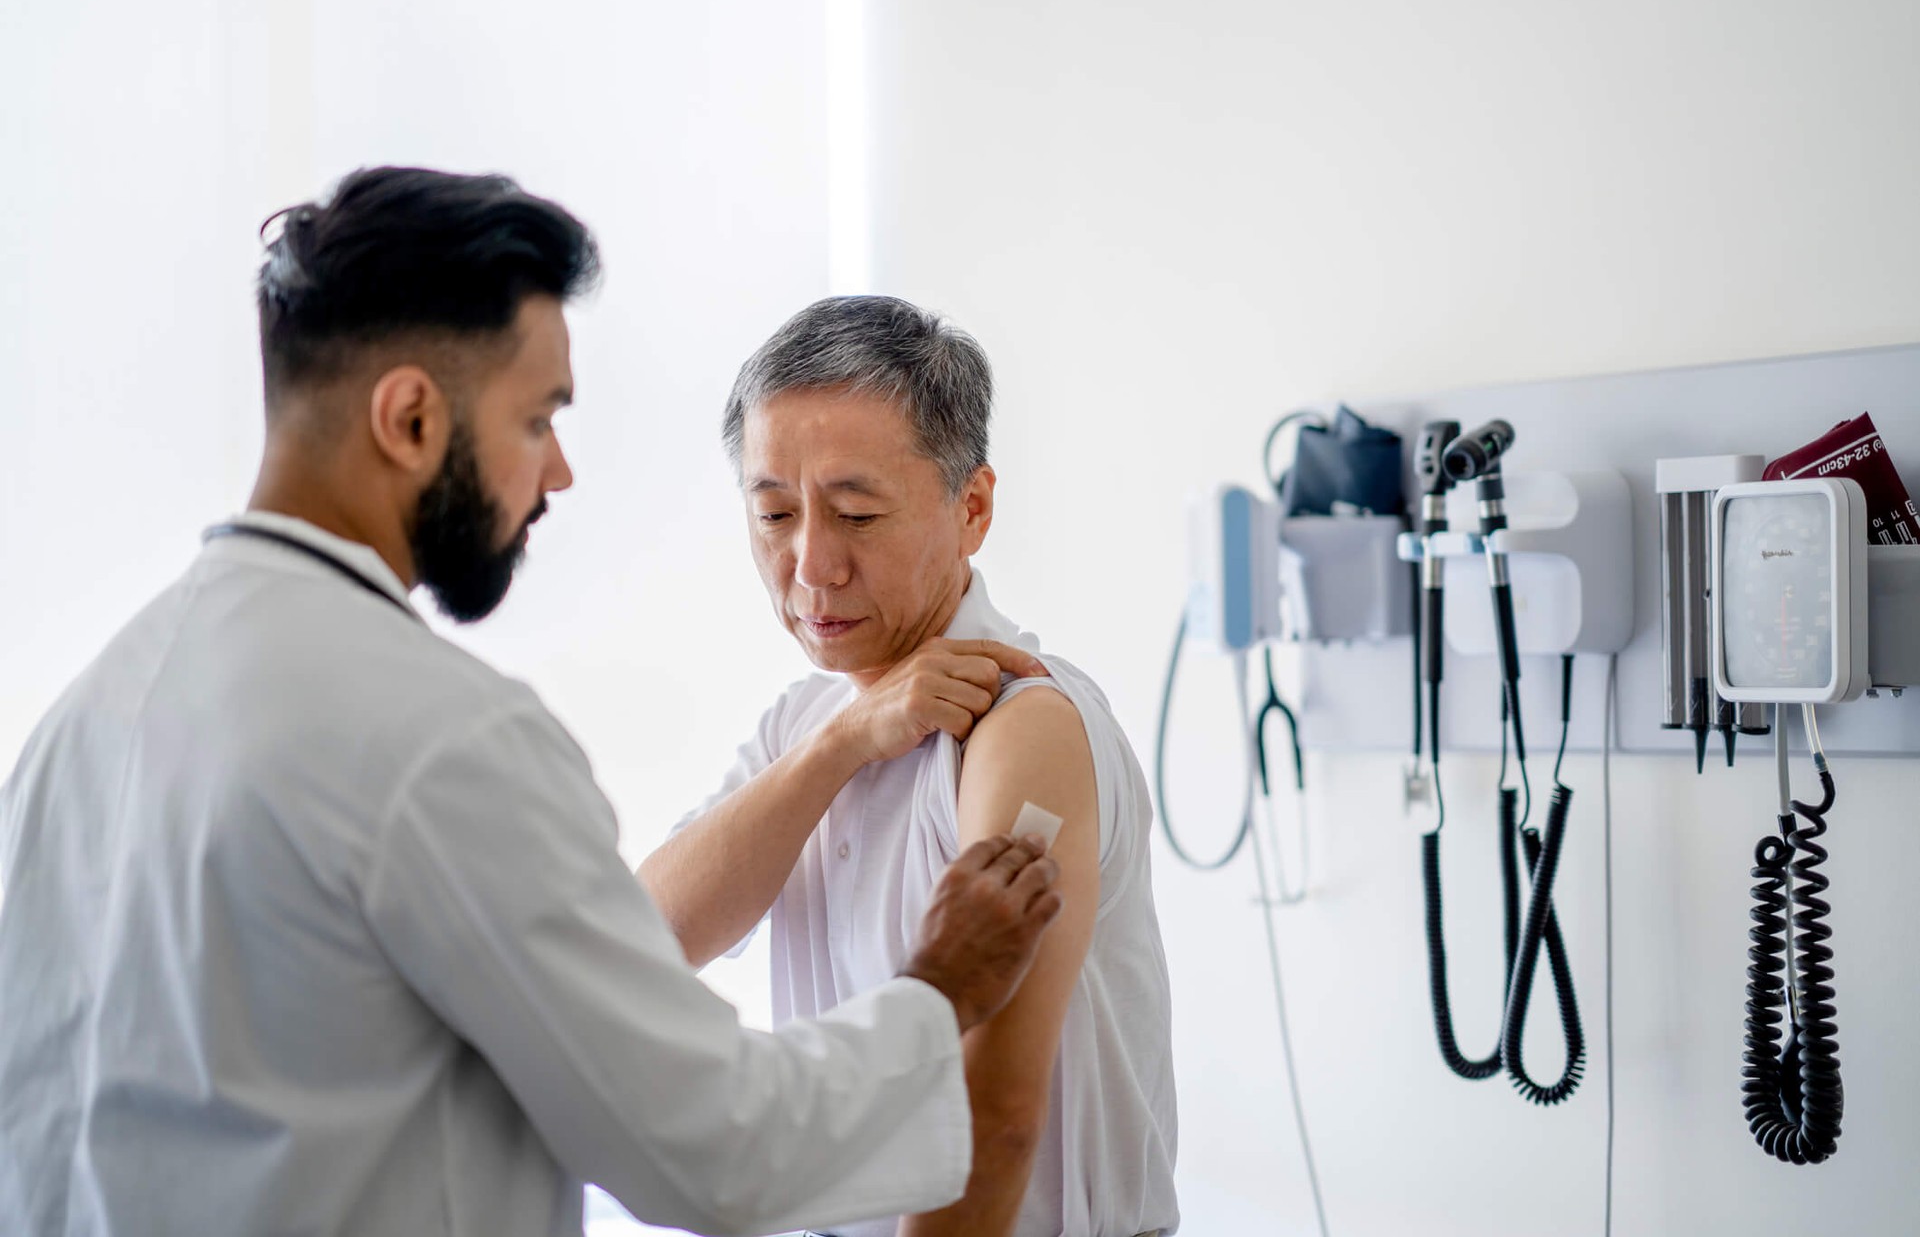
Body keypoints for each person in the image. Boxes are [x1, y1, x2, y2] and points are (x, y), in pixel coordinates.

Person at [0, 168, 1067, 1237]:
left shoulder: (86, 717)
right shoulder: (440, 740)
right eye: (538, 417)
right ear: (411, 416)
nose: (558, 472)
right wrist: (939, 986)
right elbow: (718, 1143)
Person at [642, 296, 1179, 1237]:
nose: (811, 565)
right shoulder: (805, 726)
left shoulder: (1023, 729)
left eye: (856, 513)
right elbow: (643, 941)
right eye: (773, 512)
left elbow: (996, 1118)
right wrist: (845, 744)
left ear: (971, 509)